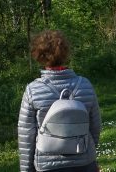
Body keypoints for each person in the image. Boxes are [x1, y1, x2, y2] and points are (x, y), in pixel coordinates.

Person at [18, 30, 101, 172]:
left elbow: (26, 135)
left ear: (39, 56)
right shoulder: (85, 85)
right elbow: (95, 126)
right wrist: (87, 151)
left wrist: (26, 169)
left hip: (48, 165)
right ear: (65, 53)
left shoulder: (33, 90)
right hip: (84, 163)